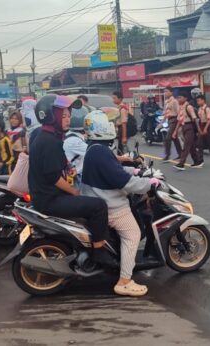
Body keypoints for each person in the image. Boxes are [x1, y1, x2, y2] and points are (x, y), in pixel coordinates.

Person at [27, 95, 117, 268]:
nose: (68, 119)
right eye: (63, 116)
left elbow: (52, 166)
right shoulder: (50, 141)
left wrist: (68, 169)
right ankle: (99, 251)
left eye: (69, 115)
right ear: (50, 116)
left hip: (42, 195)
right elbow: (53, 178)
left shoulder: (42, 134)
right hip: (50, 199)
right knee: (99, 206)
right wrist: (75, 192)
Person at [80, 110, 161, 297]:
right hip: (110, 204)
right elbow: (123, 181)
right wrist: (148, 184)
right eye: (111, 123)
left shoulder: (94, 148)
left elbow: (113, 169)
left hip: (97, 198)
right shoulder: (100, 151)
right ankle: (124, 281)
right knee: (133, 234)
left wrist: (134, 171)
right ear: (102, 127)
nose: (114, 126)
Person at [170, 92, 203, 171]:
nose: (179, 99)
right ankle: (197, 161)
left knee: (186, 146)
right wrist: (175, 131)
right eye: (178, 98)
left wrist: (198, 129)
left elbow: (195, 119)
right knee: (191, 146)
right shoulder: (181, 108)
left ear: (185, 98)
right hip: (184, 127)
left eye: (180, 97)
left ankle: (181, 164)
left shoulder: (189, 107)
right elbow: (179, 121)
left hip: (190, 127)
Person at [63, 104, 89, 190]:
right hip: (75, 177)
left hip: (71, 173)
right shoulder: (74, 141)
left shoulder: (70, 135)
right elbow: (94, 152)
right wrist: (124, 158)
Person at [162, 86, 182, 161]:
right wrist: (162, 121)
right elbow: (166, 112)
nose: (165, 93)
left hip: (174, 120)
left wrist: (179, 122)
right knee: (174, 138)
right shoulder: (166, 102)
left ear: (171, 92)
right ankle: (180, 154)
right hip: (169, 120)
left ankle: (167, 155)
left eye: (167, 91)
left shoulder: (174, 101)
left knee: (168, 138)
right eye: (164, 91)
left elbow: (178, 112)